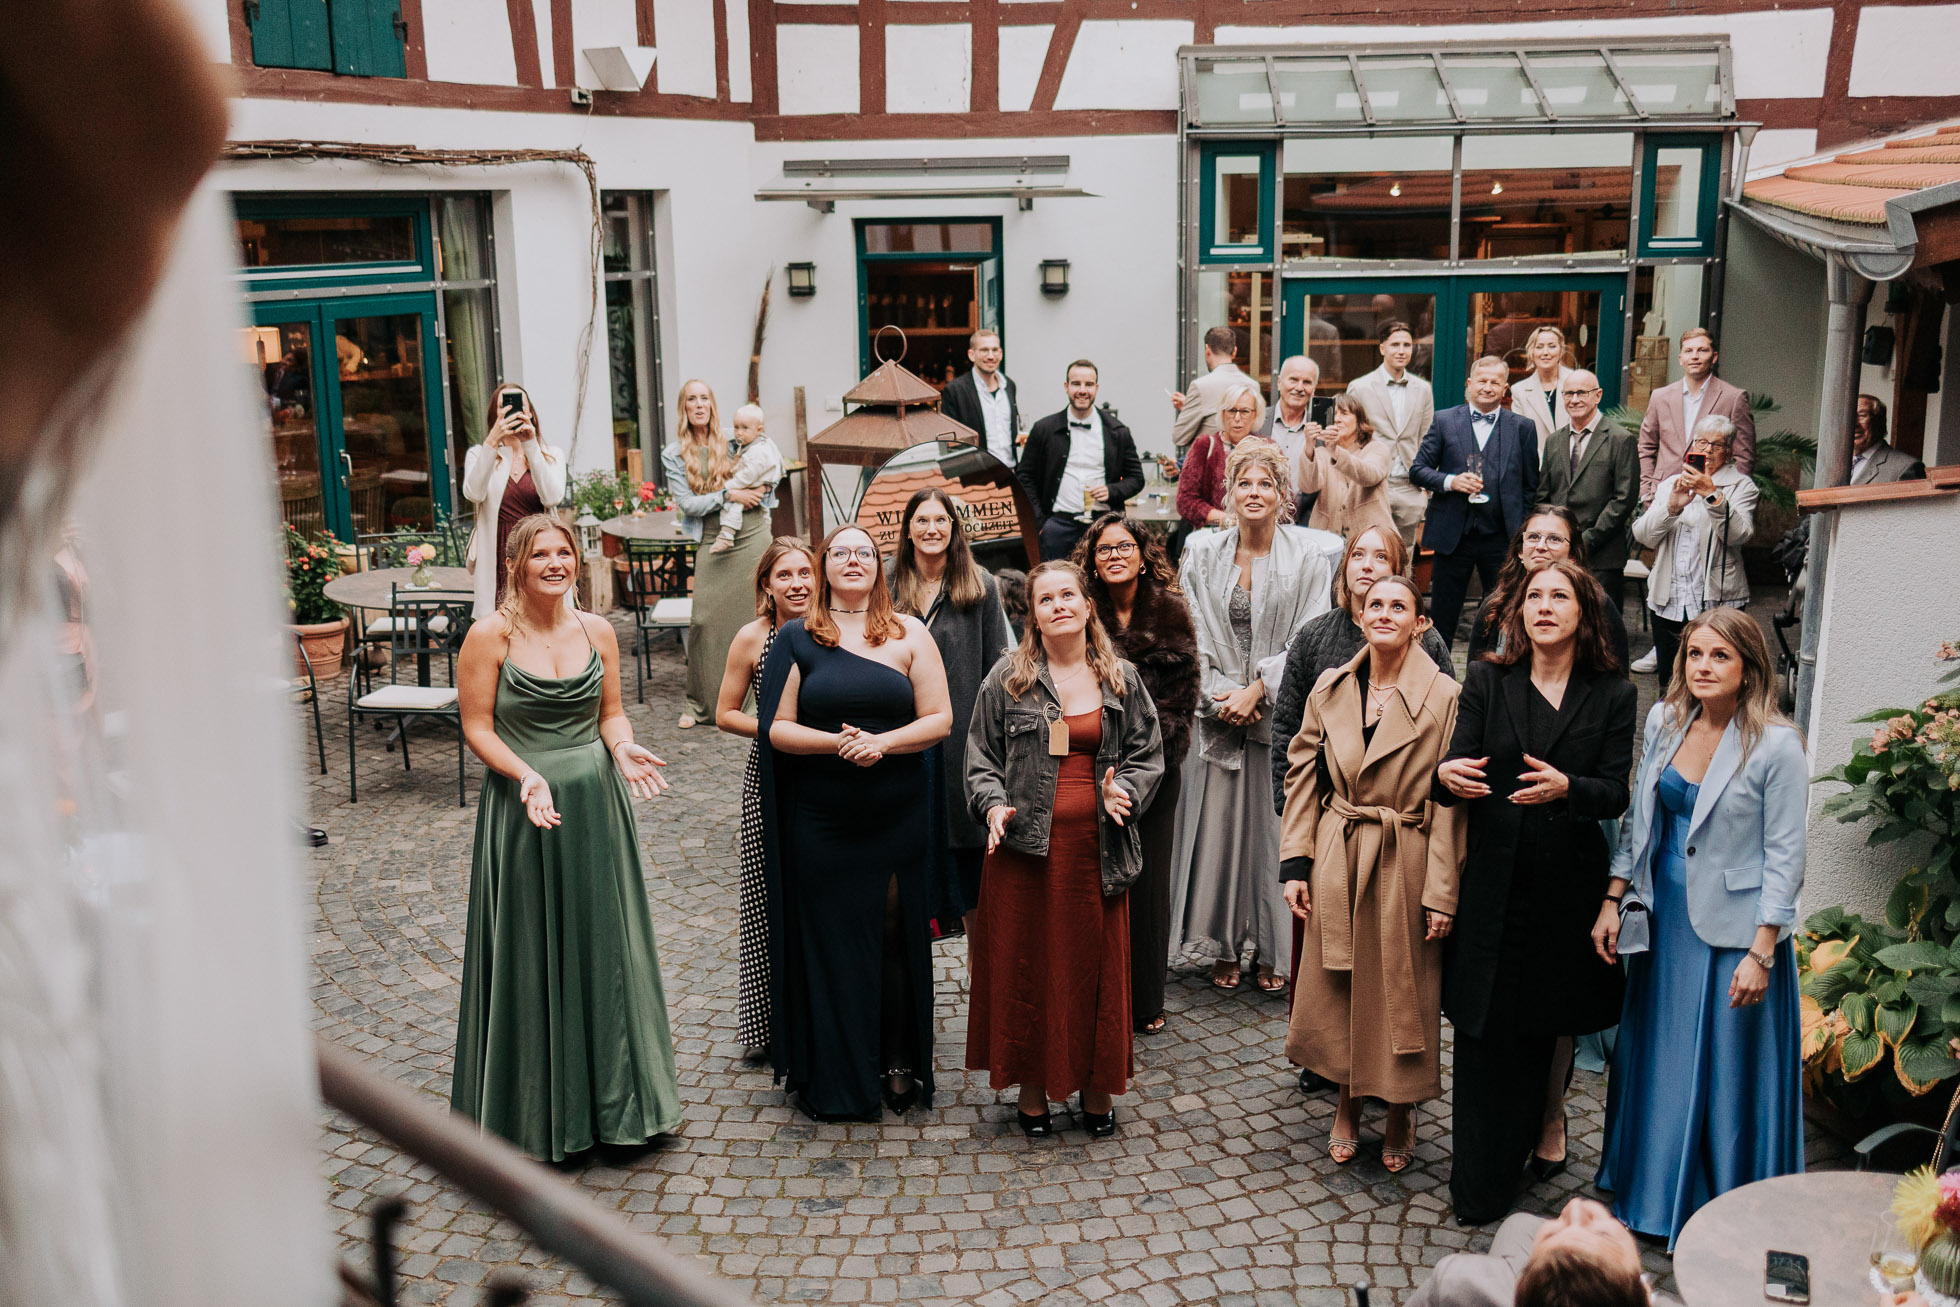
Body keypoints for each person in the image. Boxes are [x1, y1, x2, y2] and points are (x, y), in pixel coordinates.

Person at [451, 515, 682, 1161]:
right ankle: (535, 1115)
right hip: (524, 810)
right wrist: (526, 774)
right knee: (530, 953)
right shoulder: (488, 636)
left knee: (608, 950)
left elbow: (610, 711)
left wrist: (626, 745)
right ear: (517, 565)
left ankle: (621, 1107)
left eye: (564, 553)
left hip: (597, 807)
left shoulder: (599, 630)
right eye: (540, 554)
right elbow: (477, 727)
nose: (555, 563)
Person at [1595, 608, 1807, 1246]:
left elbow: (1786, 855)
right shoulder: (1664, 719)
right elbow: (1641, 817)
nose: (1703, 667)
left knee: (1724, 1072)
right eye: (1694, 655)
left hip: (1735, 936)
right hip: (1665, 925)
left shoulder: (1776, 744)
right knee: (1659, 1060)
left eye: (1719, 657)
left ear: (1748, 669)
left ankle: (1721, 1203)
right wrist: (1614, 896)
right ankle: (1652, 1189)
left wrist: (1762, 950)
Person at [1436, 559, 1636, 1226]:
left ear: (1586, 612)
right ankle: (1477, 1188)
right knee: (1482, 1029)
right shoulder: (1489, 677)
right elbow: (1452, 769)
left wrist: (1569, 789)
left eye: (1560, 596)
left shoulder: (1611, 692)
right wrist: (1448, 775)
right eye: (1534, 596)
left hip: (1564, 887)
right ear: (1518, 610)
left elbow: (1615, 789)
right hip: (1492, 879)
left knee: (1535, 1029)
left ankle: (1523, 1148)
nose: (1544, 606)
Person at [756, 525, 952, 1120]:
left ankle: (896, 1062)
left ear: (879, 567)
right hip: (822, 817)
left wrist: (883, 743)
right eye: (839, 552)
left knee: (894, 939)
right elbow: (777, 727)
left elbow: (940, 718)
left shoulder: (909, 632)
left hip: (895, 815)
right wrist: (837, 746)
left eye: (863, 553)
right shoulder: (797, 637)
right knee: (831, 939)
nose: (852, 560)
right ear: (824, 567)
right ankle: (836, 1069)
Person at [965, 561, 1165, 1138]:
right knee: (1028, 966)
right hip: (1025, 853)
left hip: (1095, 853)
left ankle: (1097, 1091)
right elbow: (980, 758)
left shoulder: (1121, 677)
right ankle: (1032, 1094)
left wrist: (1122, 790)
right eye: (1045, 598)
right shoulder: (1007, 678)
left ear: (1086, 605)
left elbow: (1148, 753)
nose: (1058, 605)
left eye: (1067, 595)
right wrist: (993, 804)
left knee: (1094, 970)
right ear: (1032, 613)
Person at [1280, 574, 1465, 1171]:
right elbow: (1302, 777)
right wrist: (1295, 863)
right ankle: (1346, 1102)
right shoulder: (1331, 687)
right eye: (1374, 604)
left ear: (1420, 622)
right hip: (1341, 848)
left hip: (1404, 853)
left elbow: (1449, 803)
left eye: (1399, 605)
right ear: (1359, 617)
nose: (1384, 613)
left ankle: (1403, 1107)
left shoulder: (1444, 696)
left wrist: (1442, 892)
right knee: (1341, 985)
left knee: (1402, 986)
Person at [1172, 441, 1335, 993]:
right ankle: (1222, 943)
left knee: (1270, 834)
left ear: (1283, 494)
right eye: (1245, 483)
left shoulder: (1309, 558)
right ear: (1230, 492)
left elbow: (1310, 631)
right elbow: (1191, 628)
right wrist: (1223, 694)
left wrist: (1261, 688)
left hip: (1277, 711)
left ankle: (1271, 947)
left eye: (1266, 484)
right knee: (1219, 832)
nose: (1255, 493)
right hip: (1217, 709)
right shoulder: (1201, 554)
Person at [1074, 514, 1201, 1037]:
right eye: (1104, 550)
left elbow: (1182, 696)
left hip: (1157, 769)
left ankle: (1146, 999)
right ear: (1093, 562)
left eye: (1124, 547)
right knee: (1095, 883)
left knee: (1147, 886)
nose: (1115, 556)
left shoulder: (1170, 611)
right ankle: (1099, 994)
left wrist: (1141, 771)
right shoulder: (1083, 613)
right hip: (1088, 770)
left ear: (1143, 553)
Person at [888, 488, 1014, 928]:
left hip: (963, 744)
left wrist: (996, 744)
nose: (931, 529)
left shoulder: (980, 585)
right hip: (901, 740)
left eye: (941, 520)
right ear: (907, 530)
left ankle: (981, 989)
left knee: (975, 878)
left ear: (954, 528)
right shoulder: (886, 585)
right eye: (921, 520)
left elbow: (998, 667)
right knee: (907, 862)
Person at [714, 537, 818, 1057]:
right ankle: (765, 1024)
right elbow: (725, 712)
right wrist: (775, 729)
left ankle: (821, 1014)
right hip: (772, 773)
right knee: (766, 896)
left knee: (820, 897)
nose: (797, 584)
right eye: (785, 576)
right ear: (766, 585)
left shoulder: (832, 630)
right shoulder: (752, 638)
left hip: (829, 772)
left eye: (805, 573)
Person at [661, 379, 772, 728]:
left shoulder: (735, 436)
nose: (699, 404)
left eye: (704, 398)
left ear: (712, 404)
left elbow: (768, 461)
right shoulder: (673, 452)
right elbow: (688, 505)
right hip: (712, 537)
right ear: (683, 407)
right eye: (691, 399)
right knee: (704, 622)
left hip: (752, 532)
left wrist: (765, 486)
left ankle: (760, 699)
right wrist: (729, 495)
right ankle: (701, 705)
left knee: (756, 615)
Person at [1411, 356, 1540, 648]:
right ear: (1469, 384)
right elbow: (1418, 470)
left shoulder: (1522, 427)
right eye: (1482, 380)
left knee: (1497, 614)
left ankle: (1486, 677)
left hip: (1501, 537)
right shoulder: (1445, 421)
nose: (1488, 387)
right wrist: (1450, 482)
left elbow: (1531, 486)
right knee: (1442, 617)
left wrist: (1522, 531)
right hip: (1452, 535)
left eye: (1495, 382)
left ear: (1505, 388)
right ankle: (1437, 678)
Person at [1633, 415, 1757, 690]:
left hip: (1717, 601)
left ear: (1729, 451)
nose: (1708, 450)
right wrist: (1672, 508)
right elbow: (1643, 535)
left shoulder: (1741, 487)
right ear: (1692, 446)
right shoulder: (1671, 484)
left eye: (1717, 445)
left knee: (1714, 682)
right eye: (1702, 442)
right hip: (1670, 599)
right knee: (1670, 681)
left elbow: (1738, 535)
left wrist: (1712, 495)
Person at [1408, 1199, 1672, 1307]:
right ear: (1648, 1296)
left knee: (1520, 1224)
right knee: (1521, 1224)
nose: (1575, 1207)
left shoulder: (1457, 1283)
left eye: (1554, 1234)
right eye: (1602, 1235)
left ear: (1518, 1286)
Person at [1466, 507, 1630, 671]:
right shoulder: (1497, 604)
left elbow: (1617, 675)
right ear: (1520, 551)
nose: (1541, 546)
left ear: (1572, 555)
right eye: (1533, 537)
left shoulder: (1598, 603)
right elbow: (1475, 675)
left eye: (1554, 539)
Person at [1018, 359, 1145, 561]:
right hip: (1058, 525)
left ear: (1097, 387)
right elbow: (1025, 476)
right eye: (1076, 384)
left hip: (1102, 524)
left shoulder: (1117, 431)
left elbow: (1136, 478)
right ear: (1066, 387)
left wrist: (1111, 491)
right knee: (1056, 582)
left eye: (1088, 384)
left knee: (1102, 588)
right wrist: (1041, 522)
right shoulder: (1044, 429)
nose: (1082, 390)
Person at [461, 383, 567, 620]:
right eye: (503, 407)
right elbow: (474, 493)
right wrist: (492, 442)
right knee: (502, 620)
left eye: (520, 406)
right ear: (494, 415)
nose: (511, 411)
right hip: (499, 548)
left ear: (530, 413)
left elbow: (552, 497)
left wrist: (530, 444)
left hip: (538, 547)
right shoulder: (480, 454)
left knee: (541, 616)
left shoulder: (551, 454)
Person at [1539, 370, 1639, 613]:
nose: (1574, 399)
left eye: (1581, 393)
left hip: (1602, 555)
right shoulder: (1554, 441)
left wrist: (1587, 539)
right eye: (1569, 394)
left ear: (1598, 395)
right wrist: (1551, 537)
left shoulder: (1620, 439)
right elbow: (1543, 495)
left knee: (1602, 627)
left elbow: (1624, 498)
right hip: (1557, 553)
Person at [1637, 327, 1756, 503]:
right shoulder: (1660, 397)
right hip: (1662, 494)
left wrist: (1730, 497)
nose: (1694, 356)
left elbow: (1744, 456)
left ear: (1714, 357)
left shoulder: (1733, 398)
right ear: (1680, 359)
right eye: (1688, 351)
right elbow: (1646, 447)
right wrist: (1646, 491)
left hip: (1710, 493)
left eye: (1702, 350)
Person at [1345, 321, 1435, 550]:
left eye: (1407, 345)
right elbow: (1352, 438)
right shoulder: (1360, 386)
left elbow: (1426, 437)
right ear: (1382, 348)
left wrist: (1425, 488)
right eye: (1395, 344)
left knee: (1404, 554)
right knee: (1370, 549)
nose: (1402, 350)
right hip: (1373, 484)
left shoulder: (1423, 388)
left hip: (1409, 485)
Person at [1298, 392, 1396, 546]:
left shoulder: (1376, 449)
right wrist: (1309, 446)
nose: (1337, 419)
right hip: (1329, 539)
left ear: (1359, 421)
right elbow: (1308, 486)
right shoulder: (1321, 453)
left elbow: (1369, 475)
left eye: (1344, 413)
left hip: (1371, 539)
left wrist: (1335, 451)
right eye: (1333, 414)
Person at [1177, 380, 1267, 530]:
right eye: (1232, 411)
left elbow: (1283, 500)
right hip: (1213, 537)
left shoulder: (1267, 448)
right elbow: (1185, 501)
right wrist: (1224, 520)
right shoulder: (1204, 445)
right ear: (1223, 414)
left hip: (1256, 537)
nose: (1237, 418)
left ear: (1255, 415)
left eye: (1244, 411)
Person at [938, 328, 1020, 468]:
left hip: (1011, 472)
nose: (990, 356)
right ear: (971, 355)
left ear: (1000, 354)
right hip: (978, 477)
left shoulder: (1009, 385)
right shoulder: (955, 391)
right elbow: (948, 443)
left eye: (995, 350)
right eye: (984, 350)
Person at [710, 403, 785, 556]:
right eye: (736, 427)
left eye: (745, 428)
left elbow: (748, 475)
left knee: (733, 505)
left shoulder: (758, 450)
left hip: (757, 482)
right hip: (760, 483)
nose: (738, 433)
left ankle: (727, 534)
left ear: (759, 429)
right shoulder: (752, 442)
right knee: (764, 514)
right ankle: (767, 542)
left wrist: (728, 486)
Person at [1258, 355, 1325, 522]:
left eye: (1307, 382)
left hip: (1304, 523)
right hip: (1259, 519)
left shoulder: (1321, 432)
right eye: (1293, 380)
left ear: (1314, 389)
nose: (1299, 387)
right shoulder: (1257, 422)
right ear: (1279, 382)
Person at [1169, 325, 1251, 457]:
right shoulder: (1252, 385)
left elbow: (1179, 437)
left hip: (1212, 466)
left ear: (1207, 350)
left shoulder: (1200, 387)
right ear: (1234, 351)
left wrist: (1189, 411)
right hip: (1244, 468)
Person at [1507, 326, 1576, 455]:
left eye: (1552, 346)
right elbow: (1520, 436)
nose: (1545, 352)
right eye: (1539, 347)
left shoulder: (1577, 382)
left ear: (1561, 351)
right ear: (1531, 352)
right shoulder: (1519, 391)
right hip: (1537, 467)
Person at [1851, 393, 1926, 485]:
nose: (1854, 424)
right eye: (1849, 417)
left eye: (1862, 415)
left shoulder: (1905, 467)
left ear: (1881, 422)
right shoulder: (1835, 464)